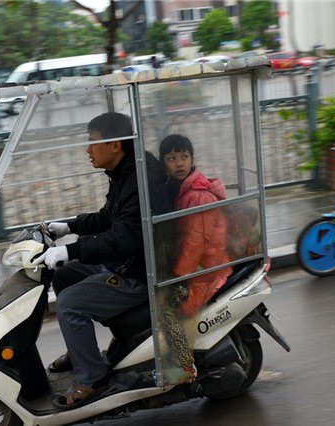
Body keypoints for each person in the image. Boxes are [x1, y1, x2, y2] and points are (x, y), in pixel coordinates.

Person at [32, 112, 158, 409]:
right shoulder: (125, 171)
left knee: (70, 303)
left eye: (92, 142)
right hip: (124, 260)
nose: (87, 150)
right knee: (62, 276)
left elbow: (124, 238)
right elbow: (108, 218)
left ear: (115, 145)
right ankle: (80, 354)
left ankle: (91, 378)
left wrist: (71, 251)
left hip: (139, 272)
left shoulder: (141, 178)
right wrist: (69, 227)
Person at [159, 134, 233, 317]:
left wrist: (179, 275)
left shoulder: (199, 196)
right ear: (163, 163)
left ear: (192, 159)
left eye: (184, 157)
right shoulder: (177, 189)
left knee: (179, 316)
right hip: (197, 264)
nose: (179, 164)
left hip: (208, 268)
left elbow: (196, 242)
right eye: (172, 159)